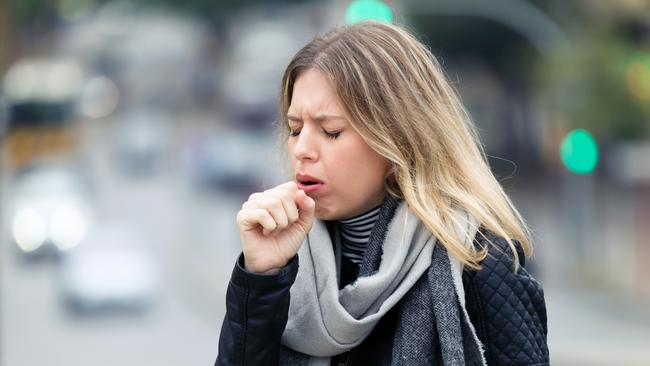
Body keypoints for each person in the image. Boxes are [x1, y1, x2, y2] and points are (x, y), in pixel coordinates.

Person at [216, 21, 548, 366]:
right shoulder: (286, 263)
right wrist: (261, 278)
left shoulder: (480, 263)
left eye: (331, 131)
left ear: (398, 138)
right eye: (296, 129)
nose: (302, 149)